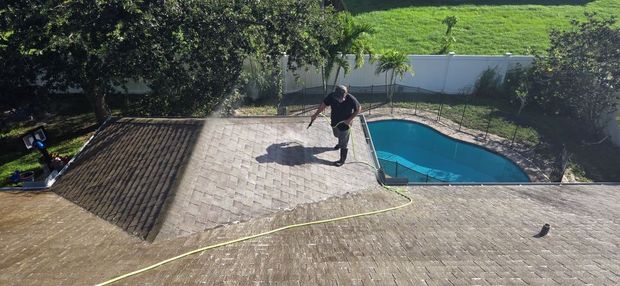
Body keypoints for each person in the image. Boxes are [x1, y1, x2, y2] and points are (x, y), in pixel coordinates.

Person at [310, 85, 361, 166]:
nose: (340, 99)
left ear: (345, 94)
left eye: (341, 98)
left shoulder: (351, 99)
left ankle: (342, 160)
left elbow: (358, 109)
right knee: (336, 134)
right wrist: (316, 114)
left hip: (345, 123)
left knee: (343, 141)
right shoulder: (332, 96)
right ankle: (340, 143)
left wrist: (349, 120)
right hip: (335, 121)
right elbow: (324, 105)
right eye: (338, 98)